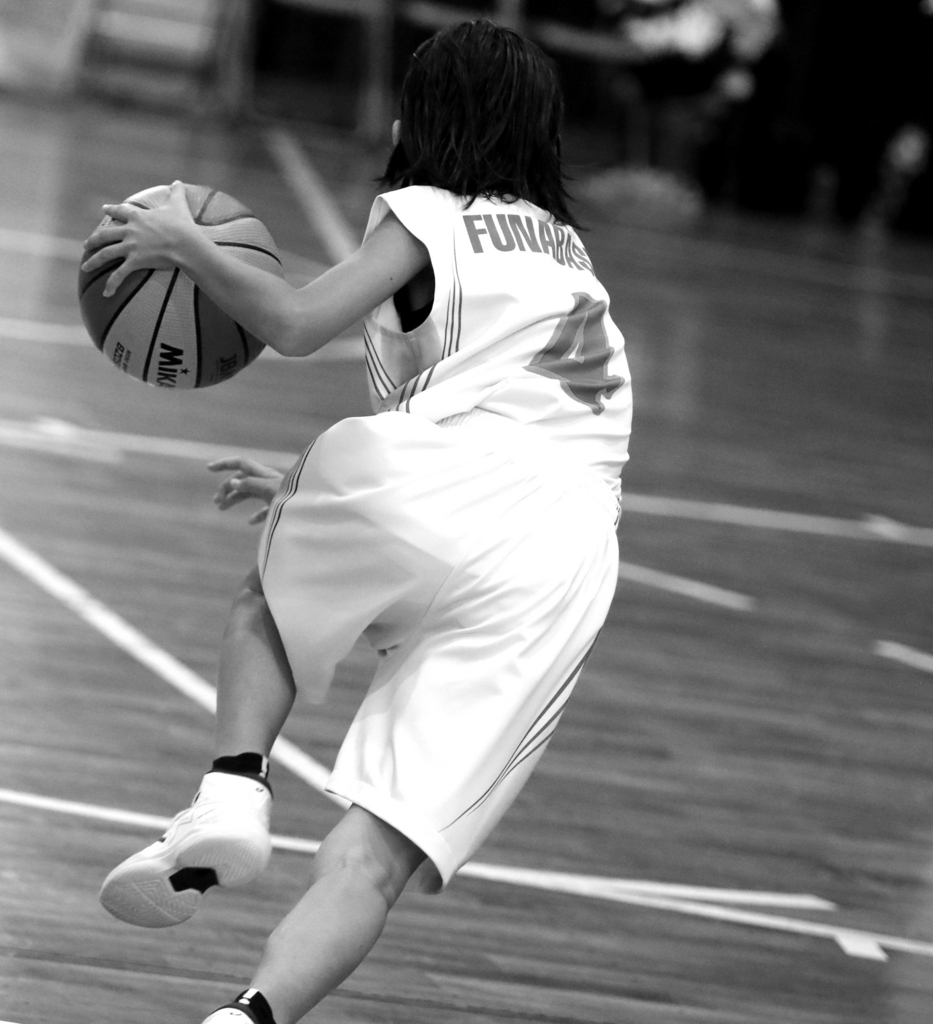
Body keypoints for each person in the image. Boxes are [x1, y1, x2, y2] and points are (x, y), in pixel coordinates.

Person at [80, 19, 632, 1024]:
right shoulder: (570, 253)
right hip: (565, 557)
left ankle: (233, 791)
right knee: (373, 854)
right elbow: (509, 423)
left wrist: (185, 245)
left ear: (424, 122)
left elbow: (295, 325)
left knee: (265, 602)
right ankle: (246, 1020)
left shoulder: (425, 210)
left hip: (441, 484)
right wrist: (305, 482)